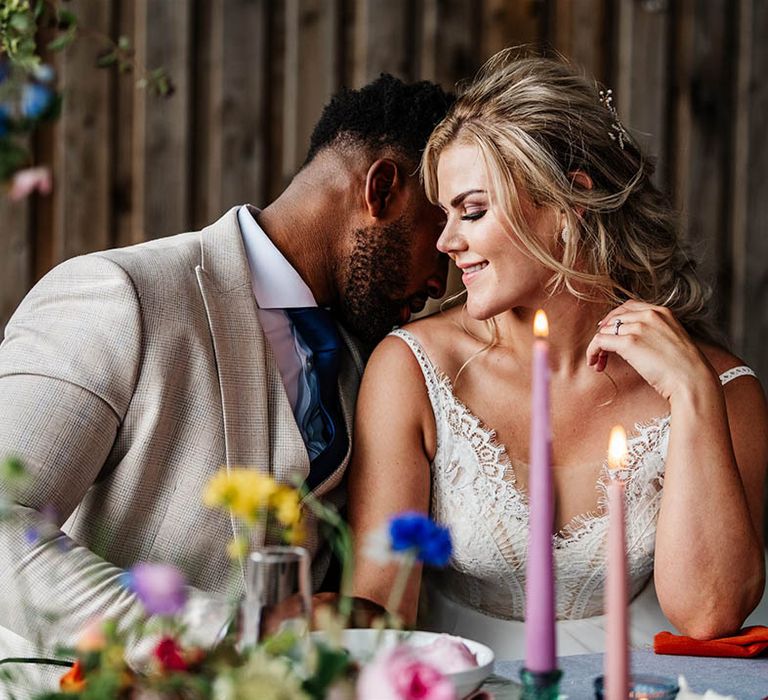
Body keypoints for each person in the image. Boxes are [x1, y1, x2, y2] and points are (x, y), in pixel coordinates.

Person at [0, 74, 451, 685]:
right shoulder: (120, 297)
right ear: (382, 189)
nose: (442, 280)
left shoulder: (372, 361)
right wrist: (233, 634)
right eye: (442, 233)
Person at [349, 52, 768, 658]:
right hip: (459, 684)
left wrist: (695, 397)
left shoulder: (724, 388)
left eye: (472, 210)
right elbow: (379, 616)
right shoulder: (412, 369)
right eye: (444, 214)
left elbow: (708, 614)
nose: (446, 242)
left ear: (569, 204)